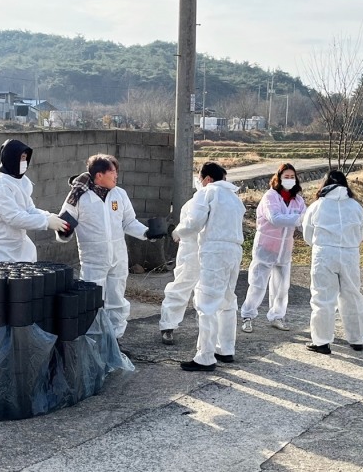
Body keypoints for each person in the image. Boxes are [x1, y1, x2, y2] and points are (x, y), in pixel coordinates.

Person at [57, 154, 152, 340]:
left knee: (117, 301)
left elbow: (129, 222)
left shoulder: (119, 194)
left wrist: (147, 233)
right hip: (94, 260)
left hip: (118, 257)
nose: (116, 176)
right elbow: (63, 224)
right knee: (92, 302)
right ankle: (94, 343)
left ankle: (114, 342)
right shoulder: (78, 196)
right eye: (112, 172)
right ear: (99, 175)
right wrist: (64, 232)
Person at [178, 162, 246, 371]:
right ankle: (225, 349)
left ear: (206, 179)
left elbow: (194, 222)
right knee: (227, 300)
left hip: (214, 251)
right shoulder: (235, 198)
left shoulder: (207, 192)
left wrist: (177, 232)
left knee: (206, 303)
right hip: (234, 251)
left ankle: (205, 357)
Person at [302, 170, 363, 355]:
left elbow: (307, 233)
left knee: (323, 297)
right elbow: (360, 233)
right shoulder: (355, 206)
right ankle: (357, 339)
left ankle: (322, 341)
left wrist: (320, 244)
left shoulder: (317, 205)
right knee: (352, 295)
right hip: (350, 253)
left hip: (324, 253)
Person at [239, 163, 307, 333]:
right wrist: (298, 219)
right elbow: (275, 218)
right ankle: (248, 316)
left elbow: (305, 222)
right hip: (266, 247)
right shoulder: (270, 197)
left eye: (292, 177)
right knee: (257, 284)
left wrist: (307, 225)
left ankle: (277, 316)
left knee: (282, 287)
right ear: (279, 178)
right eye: (286, 176)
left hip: (285, 250)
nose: (289, 180)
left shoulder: (298, 200)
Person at [0, 139, 69, 263]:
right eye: (21, 158)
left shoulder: (20, 180)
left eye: (25, 158)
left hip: (17, 246)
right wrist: (46, 222)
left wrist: (49, 216)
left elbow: (28, 209)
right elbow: (14, 218)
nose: (24, 162)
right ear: (11, 158)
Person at [158, 176, 204, 345]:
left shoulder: (221, 202)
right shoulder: (193, 204)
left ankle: (207, 328)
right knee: (182, 285)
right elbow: (190, 226)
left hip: (212, 252)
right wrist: (178, 232)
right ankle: (167, 325)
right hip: (192, 250)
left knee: (208, 291)